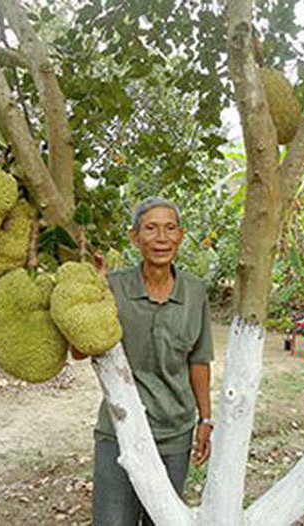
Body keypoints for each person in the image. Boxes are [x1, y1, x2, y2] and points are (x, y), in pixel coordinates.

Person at [90, 197, 215, 526]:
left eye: (170, 228)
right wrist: (94, 291)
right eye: (151, 229)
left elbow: (199, 361)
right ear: (135, 237)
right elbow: (79, 350)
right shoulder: (113, 286)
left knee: (163, 521)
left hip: (175, 432)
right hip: (119, 429)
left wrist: (206, 420)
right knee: (112, 521)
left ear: (181, 236)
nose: (161, 238)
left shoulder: (195, 292)